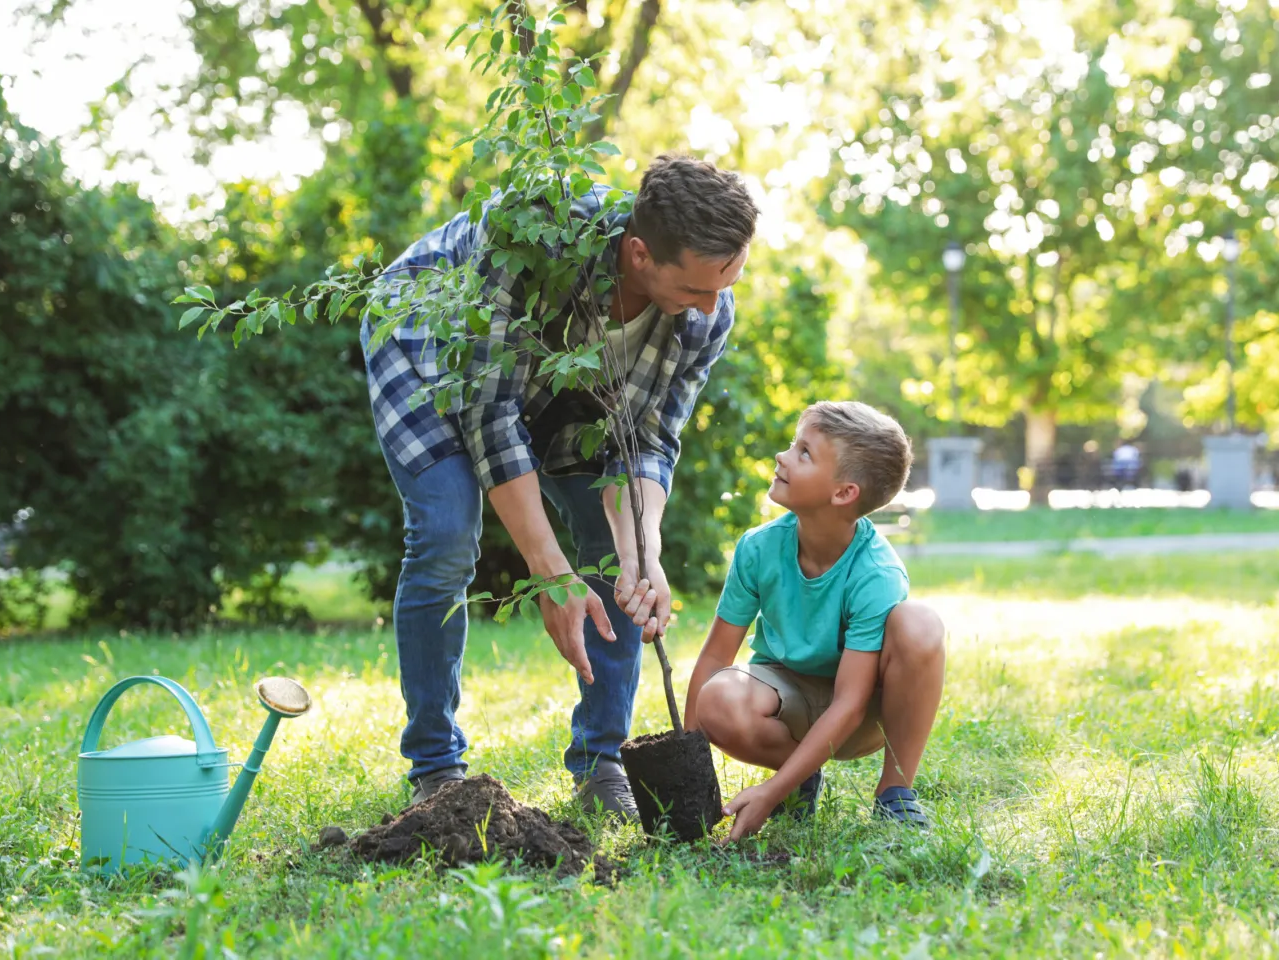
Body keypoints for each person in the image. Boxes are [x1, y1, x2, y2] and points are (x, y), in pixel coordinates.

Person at [360, 156, 759, 817]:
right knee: (448, 531)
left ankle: (603, 762)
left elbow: (650, 442)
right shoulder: (528, 237)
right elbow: (491, 416)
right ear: (638, 253)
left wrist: (645, 559)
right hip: (430, 347)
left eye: (726, 286)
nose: (714, 309)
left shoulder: (706, 314)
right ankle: (436, 767)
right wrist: (549, 573)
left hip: (564, 387)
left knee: (614, 552)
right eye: (697, 288)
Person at [683, 402, 947, 840]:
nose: (782, 457)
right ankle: (799, 781)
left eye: (803, 452)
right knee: (718, 697)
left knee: (919, 624)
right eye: (793, 444)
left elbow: (850, 702)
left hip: (861, 714)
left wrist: (768, 792)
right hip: (786, 695)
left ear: (843, 493)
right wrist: (688, 767)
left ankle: (895, 794)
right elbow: (715, 655)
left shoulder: (875, 573)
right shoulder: (759, 548)